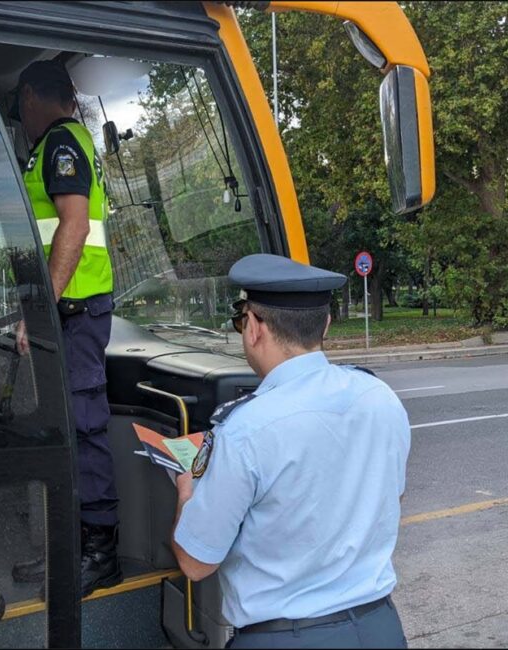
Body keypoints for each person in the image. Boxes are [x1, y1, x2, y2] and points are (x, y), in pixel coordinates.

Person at [172, 253, 411, 649]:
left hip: (285, 638)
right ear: (326, 324)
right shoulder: (379, 397)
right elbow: (391, 497)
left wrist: (186, 493)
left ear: (253, 327)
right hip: (379, 629)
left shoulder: (245, 429)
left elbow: (196, 563)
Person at [9, 60, 122, 597]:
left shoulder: (60, 143)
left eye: (19, 106)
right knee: (60, 431)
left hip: (75, 311)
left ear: (30, 96)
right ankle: (67, 545)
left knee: (83, 428)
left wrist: (42, 310)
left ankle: (100, 552)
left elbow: (73, 225)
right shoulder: (56, 146)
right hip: (68, 310)